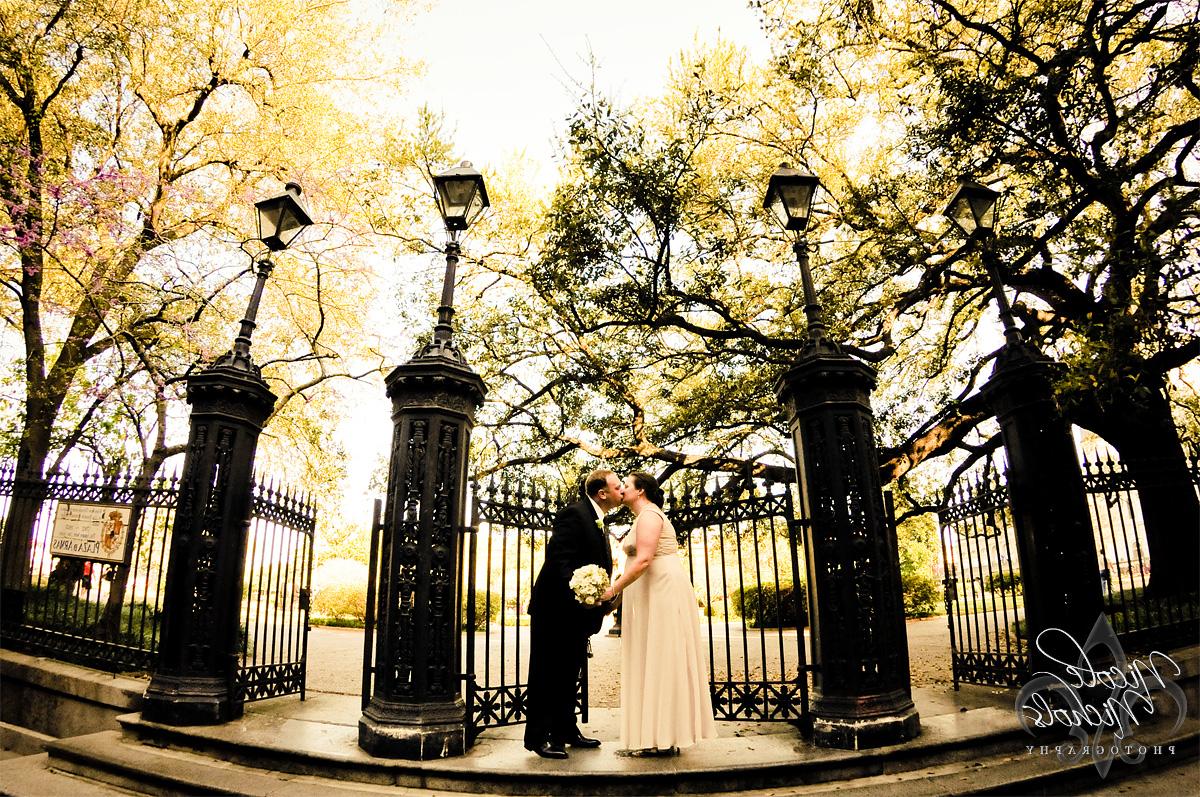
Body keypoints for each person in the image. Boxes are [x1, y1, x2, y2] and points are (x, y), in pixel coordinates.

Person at [601, 471, 717, 755]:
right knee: (652, 658)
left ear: (641, 491)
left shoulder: (651, 516)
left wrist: (612, 590)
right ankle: (656, 736)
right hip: (650, 592)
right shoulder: (642, 518)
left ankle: (663, 738)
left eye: (626, 485)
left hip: (663, 591)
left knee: (662, 658)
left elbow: (642, 560)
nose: (622, 489)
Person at [523, 468, 622, 759]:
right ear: (601, 492)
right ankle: (538, 738)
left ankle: (566, 730)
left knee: (569, 674)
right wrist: (582, 590)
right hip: (554, 610)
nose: (621, 491)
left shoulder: (598, 519)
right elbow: (558, 560)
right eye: (617, 487)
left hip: (577, 613)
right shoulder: (574, 514)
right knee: (546, 674)